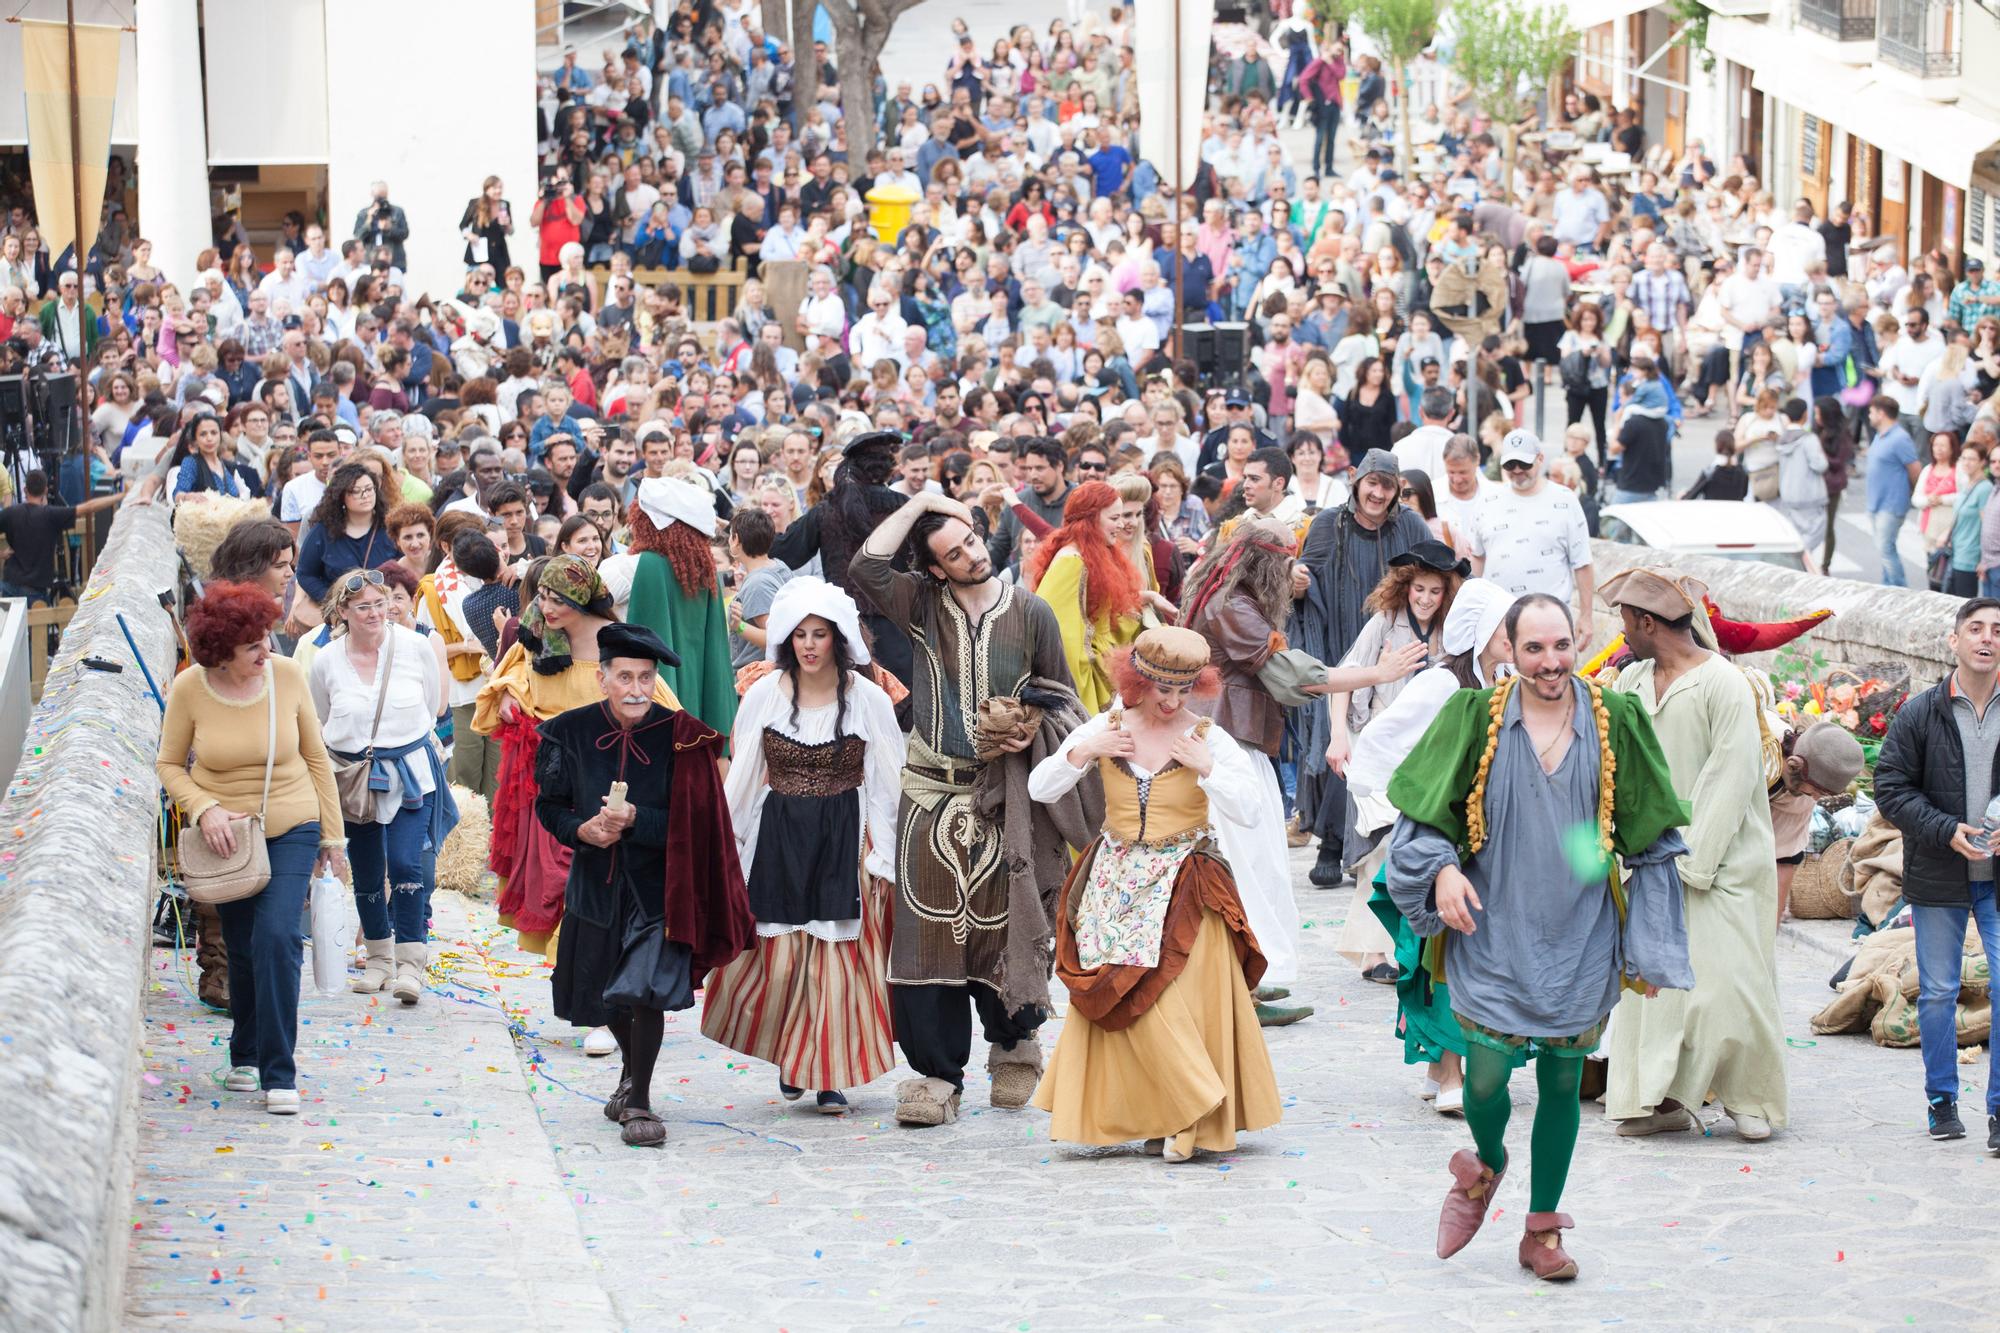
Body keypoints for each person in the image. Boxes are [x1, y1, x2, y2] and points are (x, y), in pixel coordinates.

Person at [1385, 593, 1692, 1283]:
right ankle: (1486, 1160)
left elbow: (1651, 838)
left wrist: (1649, 936)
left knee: (1561, 1080)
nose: (1551, 662)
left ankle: (1542, 1229)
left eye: (1561, 645)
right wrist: (1438, 873)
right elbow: (1420, 822)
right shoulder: (1473, 719)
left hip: (1580, 934)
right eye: (1534, 648)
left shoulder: (1616, 720)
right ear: (1509, 650)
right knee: (1486, 1076)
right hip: (1490, 927)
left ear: (1578, 639)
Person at [847, 490, 1096, 1129]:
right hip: (932, 790)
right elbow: (866, 568)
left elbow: (1063, 695)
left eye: (973, 542)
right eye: (953, 553)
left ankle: (1014, 1040)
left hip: (1007, 793)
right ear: (934, 569)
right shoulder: (920, 604)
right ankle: (937, 1073)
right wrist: (925, 501)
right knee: (929, 930)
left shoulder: (1033, 611)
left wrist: (1030, 725)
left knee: (1007, 916)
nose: (970, 556)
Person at [1026, 627, 1283, 1161]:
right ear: (1136, 679)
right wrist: (1084, 751)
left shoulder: (1208, 738)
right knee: (1121, 996)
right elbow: (1040, 788)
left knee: (1176, 999)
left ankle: (1188, 1118)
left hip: (1188, 880)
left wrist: (1207, 769)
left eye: (1183, 690)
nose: (1171, 702)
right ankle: (1146, 1112)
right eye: (1161, 688)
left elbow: (1251, 810)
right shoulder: (1108, 726)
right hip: (1114, 881)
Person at [534, 621, 754, 1148]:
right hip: (595, 884)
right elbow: (549, 805)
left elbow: (698, 822)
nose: (636, 689)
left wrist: (637, 820)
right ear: (602, 679)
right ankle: (631, 1071)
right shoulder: (567, 732)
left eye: (646, 678)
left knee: (644, 991)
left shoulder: (685, 736)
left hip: (660, 888)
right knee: (607, 997)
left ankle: (639, 1100)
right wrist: (582, 829)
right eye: (625, 677)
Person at [702, 579, 905, 1113]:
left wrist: (885, 854)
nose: (810, 645)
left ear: (838, 640)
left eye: (820, 634)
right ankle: (795, 1056)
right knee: (786, 959)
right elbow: (745, 772)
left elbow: (887, 781)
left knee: (835, 961)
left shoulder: (869, 699)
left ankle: (826, 1072)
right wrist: (728, 843)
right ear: (787, 641)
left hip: (845, 832)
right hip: (781, 833)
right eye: (800, 635)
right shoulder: (766, 694)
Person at [1602, 569, 1787, 1143]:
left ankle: (1749, 1098)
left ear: (1649, 622)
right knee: (1655, 987)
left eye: (1627, 622)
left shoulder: (1724, 684)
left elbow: (1731, 778)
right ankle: (1657, 1099)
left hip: (1726, 858)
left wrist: (1693, 863)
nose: (1623, 633)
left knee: (1731, 985)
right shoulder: (1631, 679)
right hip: (1651, 856)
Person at [156, 583, 347, 1115]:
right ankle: (245, 1051)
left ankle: (278, 1070)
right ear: (219, 653)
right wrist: (204, 809)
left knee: (278, 936)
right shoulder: (190, 688)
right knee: (240, 946)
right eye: (253, 648)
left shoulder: (286, 677)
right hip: (228, 837)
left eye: (267, 640)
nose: (267, 652)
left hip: (291, 823)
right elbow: (169, 764)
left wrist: (333, 838)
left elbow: (316, 758)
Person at [1350, 579, 1515, 1117]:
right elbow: (1380, 739)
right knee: (1445, 948)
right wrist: (1399, 807)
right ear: (1480, 632)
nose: (1514, 635)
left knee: (1473, 951)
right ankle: (1449, 1070)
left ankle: (1437, 1062)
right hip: (1442, 837)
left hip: (1488, 840)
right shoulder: (1443, 684)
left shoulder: (1505, 681)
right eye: (1504, 626)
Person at [474, 555, 675, 956]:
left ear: (582, 600)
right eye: (543, 596)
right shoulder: (539, 631)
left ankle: (586, 966)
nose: (546, 607)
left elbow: (657, 700)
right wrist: (511, 692)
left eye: (558, 600)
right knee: (552, 881)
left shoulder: (616, 641)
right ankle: (573, 967)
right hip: (551, 777)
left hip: (604, 773)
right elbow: (515, 670)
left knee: (589, 879)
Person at [1177, 519, 1320, 1024]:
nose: (1292, 573)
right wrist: (1370, 674)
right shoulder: (1233, 605)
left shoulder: (1223, 590)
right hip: (1227, 741)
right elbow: (1287, 676)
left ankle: (1245, 981)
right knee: (1242, 868)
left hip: (1230, 739)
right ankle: (1240, 989)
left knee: (1249, 865)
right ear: (1266, 563)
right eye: (1286, 562)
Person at [1874, 597, 2000, 1148]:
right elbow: (1892, 788)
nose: (1987, 638)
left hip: (1997, 880)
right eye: (1975, 628)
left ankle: (1998, 1111)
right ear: (1954, 641)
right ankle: (1942, 1101)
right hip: (1938, 874)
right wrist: (1945, 828)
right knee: (1939, 991)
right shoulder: (1921, 712)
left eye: (1998, 630)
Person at [309, 568, 456, 1003]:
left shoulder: (414, 647)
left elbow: (432, 706)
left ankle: (411, 964)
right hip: (355, 779)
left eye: (380, 604)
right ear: (343, 612)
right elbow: (322, 714)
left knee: (408, 866)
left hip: (411, 773)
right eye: (364, 607)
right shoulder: (326, 660)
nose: (375, 613)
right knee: (368, 871)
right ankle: (377, 959)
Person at [1323, 541, 1463, 981]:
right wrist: (1338, 735)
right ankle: (1374, 954)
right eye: (1418, 588)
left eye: (1435, 591)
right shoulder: (1383, 625)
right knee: (1378, 846)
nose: (1424, 598)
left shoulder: (1452, 633)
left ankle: (1403, 948)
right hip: (1377, 746)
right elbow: (1342, 678)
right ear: (1405, 587)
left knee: (1412, 847)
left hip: (1427, 754)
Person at [1295, 448, 1432, 886]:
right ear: (1356, 480)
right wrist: (1298, 584)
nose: (1377, 493)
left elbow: (1435, 571)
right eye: (1372, 483)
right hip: (1339, 643)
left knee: (1386, 739)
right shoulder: (1325, 524)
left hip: (1392, 645)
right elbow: (1304, 580)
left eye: (1387, 486)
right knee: (1337, 740)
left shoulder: (1409, 524)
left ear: (1396, 492)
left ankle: (1374, 841)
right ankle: (1332, 841)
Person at [600, 477, 738, 736]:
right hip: (697, 707)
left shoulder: (625, 568)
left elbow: (580, 606)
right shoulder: (704, 576)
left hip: (634, 701)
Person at [1031, 480, 1172, 715]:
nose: (1123, 525)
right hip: (1083, 682)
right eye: (1114, 518)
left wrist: (1145, 598)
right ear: (1091, 519)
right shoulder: (1072, 562)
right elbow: (1063, 639)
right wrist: (1084, 693)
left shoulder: (1091, 555)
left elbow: (1104, 615)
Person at [1466, 431, 1595, 641]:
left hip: (1551, 621)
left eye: (1524, 464)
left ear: (1540, 459)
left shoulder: (1565, 500)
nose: (1517, 470)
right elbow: (1477, 559)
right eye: (1510, 465)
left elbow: (1582, 563)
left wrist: (1587, 617)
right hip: (1498, 621)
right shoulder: (1487, 502)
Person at [1768, 721, 1866, 923]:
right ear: (1796, 766)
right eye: (1815, 790)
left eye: (1823, 793)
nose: (1815, 798)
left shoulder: (1801, 799)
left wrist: (1768, 933)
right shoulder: (1760, 744)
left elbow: (1784, 858)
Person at [0, 468, 120, 604]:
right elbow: (89, 507)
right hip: (34, 590)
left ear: (25, 490)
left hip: (9, 585)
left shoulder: (10, 513)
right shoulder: (50, 515)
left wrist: (1, 554)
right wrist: (120, 496)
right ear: (45, 490)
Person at [296, 463, 394, 605]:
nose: (365, 495)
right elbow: (306, 574)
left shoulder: (390, 527)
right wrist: (331, 600)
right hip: (340, 613)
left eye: (369, 489)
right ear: (341, 496)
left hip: (385, 609)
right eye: (355, 491)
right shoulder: (323, 531)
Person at [1865, 396, 1920, 587]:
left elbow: (1914, 468)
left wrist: (1913, 493)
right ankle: (1888, 587)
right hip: (1876, 503)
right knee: (1883, 550)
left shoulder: (1900, 438)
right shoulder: (1879, 435)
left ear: (1881, 413)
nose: (1869, 416)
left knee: (1886, 548)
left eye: (1871, 412)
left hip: (1891, 504)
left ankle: (1899, 590)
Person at [1770, 397, 1830, 554]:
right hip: (1809, 494)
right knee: (1812, 535)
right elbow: (1820, 465)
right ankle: (1803, 563)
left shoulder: (1782, 439)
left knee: (1794, 535)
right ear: (1805, 415)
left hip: (1788, 493)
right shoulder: (1808, 439)